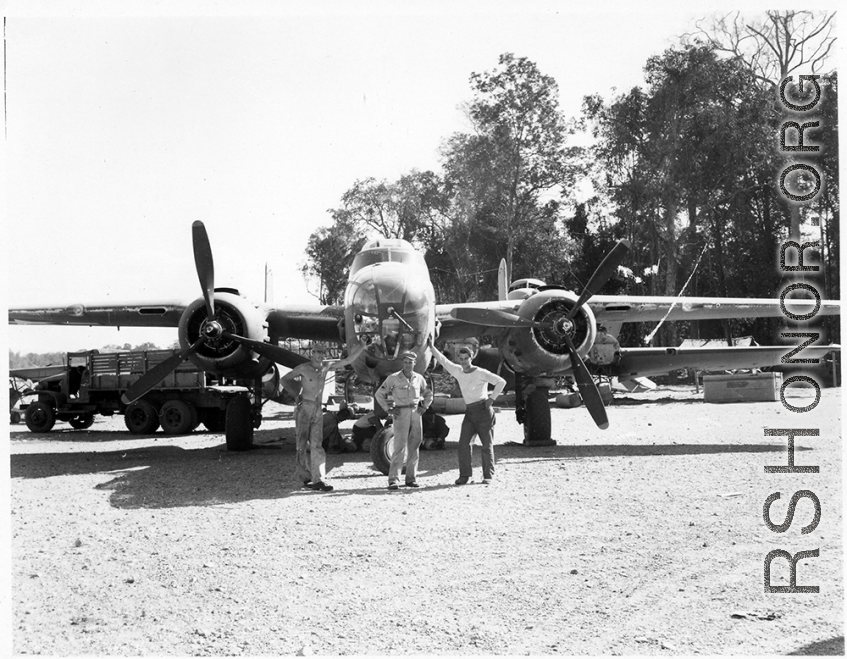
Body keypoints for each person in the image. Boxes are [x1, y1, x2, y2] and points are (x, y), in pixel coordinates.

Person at [280, 341, 365, 492]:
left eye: (322, 353)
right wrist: (295, 395)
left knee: (317, 445)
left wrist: (362, 346)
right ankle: (305, 477)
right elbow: (284, 379)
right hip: (304, 408)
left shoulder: (326, 367)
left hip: (318, 410)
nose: (320, 356)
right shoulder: (303, 368)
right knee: (301, 445)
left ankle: (319, 480)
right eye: (317, 352)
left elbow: (347, 361)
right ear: (312, 353)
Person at [428, 338, 506, 485]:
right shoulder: (458, 371)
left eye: (466, 359)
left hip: (483, 411)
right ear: (459, 359)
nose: (464, 362)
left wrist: (491, 399)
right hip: (469, 412)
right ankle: (465, 475)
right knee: (463, 444)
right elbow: (444, 361)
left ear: (472, 358)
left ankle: (488, 475)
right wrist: (431, 347)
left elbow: (501, 382)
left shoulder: (481, 372)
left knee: (486, 445)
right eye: (461, 359)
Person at [374, 350, 433, 490]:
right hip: (401, 413)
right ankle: (393, 479)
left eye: (410, 362)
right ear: (402, 363)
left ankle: (411, 479)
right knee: (399, 446)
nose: (408, 365)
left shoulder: (419, 378)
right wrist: (388, 409)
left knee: (415, 445)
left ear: (415, 363)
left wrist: (425, 406)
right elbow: (379, 394)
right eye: (405, 362)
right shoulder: (393, 378)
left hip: (415, 412)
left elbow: (428, 393)